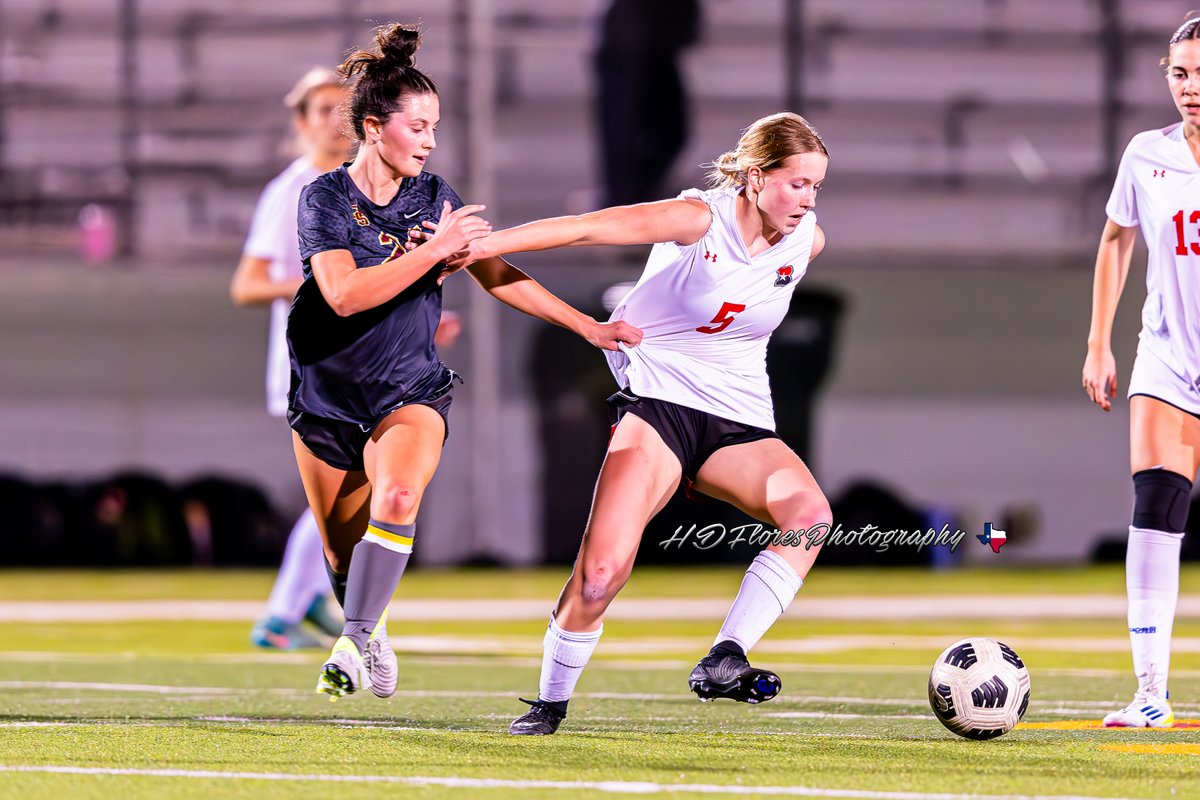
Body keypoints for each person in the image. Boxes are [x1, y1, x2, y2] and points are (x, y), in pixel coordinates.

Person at [427, 111, 831, 734]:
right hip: (657, 406)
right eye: (796, 184)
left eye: (816, 187)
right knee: (600, 575)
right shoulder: (698, 219)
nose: (807, 200)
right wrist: (481, 246)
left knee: (810, 518)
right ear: (756, 177)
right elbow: (587, 228)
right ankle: (550, 702)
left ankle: (725, 655)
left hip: (739, 419)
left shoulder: (806, 241)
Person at [289, 23, 642, 700]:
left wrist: (585, 326)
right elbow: (343, 295)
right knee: (341, 553)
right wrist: (431, 253)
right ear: (373, 128)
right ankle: (369, 624)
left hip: (408, 390)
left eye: (435, 128)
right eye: (418, 127)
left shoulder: (433, 197)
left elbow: (496, 272)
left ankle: (352, 641)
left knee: (399, 496)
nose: (429, 141)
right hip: (325, 394)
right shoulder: (325, 198)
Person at [1082, 15, 1200, 729]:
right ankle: (1150, 692)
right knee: (1156, 506)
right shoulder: (1146, 154)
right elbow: (1115, 238)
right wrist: (1099, 342)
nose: (1190, 87)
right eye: (1180, 73)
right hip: (1167, 357)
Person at [231, 67, 351, 649]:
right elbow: (248, 285)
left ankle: (307, 604)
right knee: (346, 488)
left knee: (352, 487)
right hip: (313, 361)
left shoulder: (358, 188)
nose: (337, 121)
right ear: (301, 123)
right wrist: (321, 283)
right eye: (324, 109)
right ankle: (284, 614)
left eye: (346, 109)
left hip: (360, 359)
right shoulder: (294, 191)